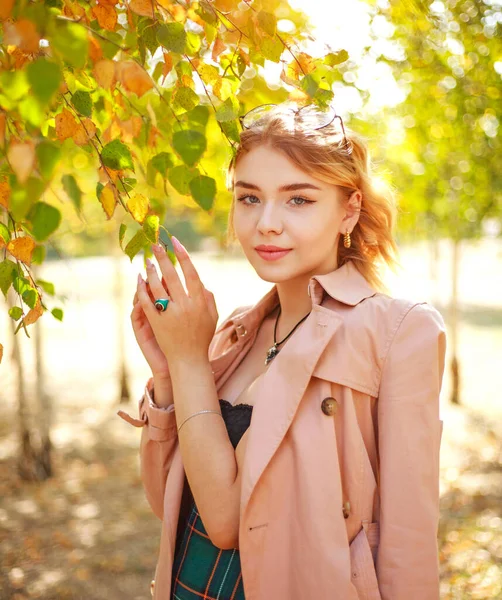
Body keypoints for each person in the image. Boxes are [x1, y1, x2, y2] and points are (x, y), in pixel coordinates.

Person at [118, 102, 447, 600]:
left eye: (298, 200)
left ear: (350, 209)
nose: (266, 223)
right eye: (249, 198)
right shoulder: (234, 331)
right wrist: (169, 376)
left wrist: (188, 362)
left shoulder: (400, 332)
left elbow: (408, 545)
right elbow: (169, 502)